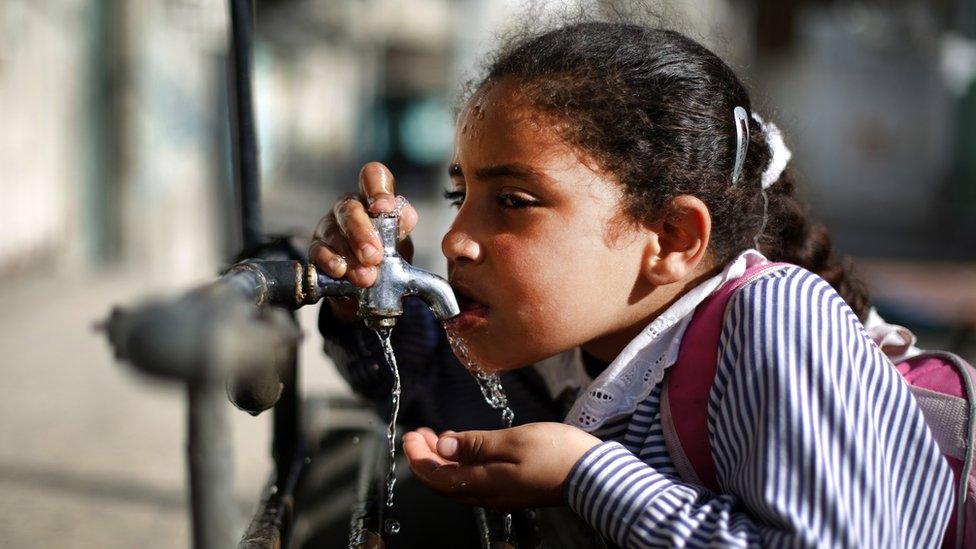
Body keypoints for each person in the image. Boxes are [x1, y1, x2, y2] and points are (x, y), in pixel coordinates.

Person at [309, 22, 953, 547]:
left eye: (513, 200)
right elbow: (437, 397)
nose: (454, 240)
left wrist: (585, 473)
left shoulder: (774, 319)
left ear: (672, 238)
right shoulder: (584, 353)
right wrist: (365, 297)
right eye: (461, 194)